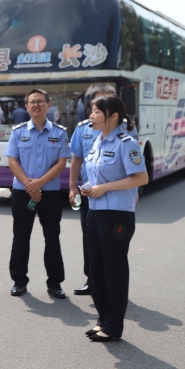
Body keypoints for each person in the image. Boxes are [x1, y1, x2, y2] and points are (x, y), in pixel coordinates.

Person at [81, 96, 148, 342]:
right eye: (91, 111)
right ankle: (102, 319)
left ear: (113, 116)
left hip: (117, 215)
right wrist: (89, 188)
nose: (91, 115)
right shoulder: (97, 141)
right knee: (96, 269)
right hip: (94, 212)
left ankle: (113, 326)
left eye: (96, 111)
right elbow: (97, 176)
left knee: (114, 270)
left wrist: (105, 188)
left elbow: (141, 178)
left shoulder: (126, 143)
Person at [4, 89, 70, 299]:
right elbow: (12, 161)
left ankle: (55, 283)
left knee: (52, 238)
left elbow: (62, 163)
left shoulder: (59, 132)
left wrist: (39, 183)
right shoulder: (18, 132)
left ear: (48, 105)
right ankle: (19, 281)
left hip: (49, 192)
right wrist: (28, 184)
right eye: (32, 102)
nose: (36, 105)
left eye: (40, 101)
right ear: (26, 107)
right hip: (23, 191)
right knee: (21, 237)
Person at [69, 84, 121, 295]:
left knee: (114, 241)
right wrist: (72, 187)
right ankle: (93, 279)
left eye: (109, 99)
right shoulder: (83, 128)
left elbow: (135, 167)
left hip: (115, 194)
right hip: (89, 194)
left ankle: (113, 284)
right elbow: (76, 159)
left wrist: (135, 191)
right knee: (90, 238)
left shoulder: (125, 128)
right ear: (91, 104)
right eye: (99, 101)